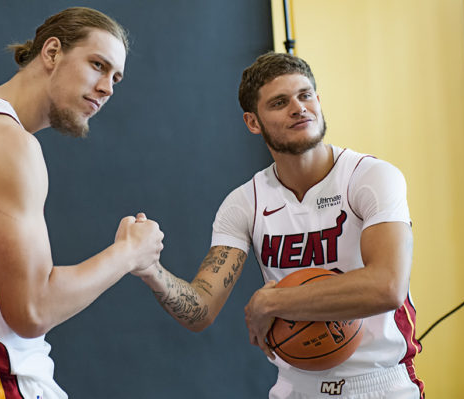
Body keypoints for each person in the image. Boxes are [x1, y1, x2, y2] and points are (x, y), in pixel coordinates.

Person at [134, 52, 424, 398]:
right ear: (253, 122)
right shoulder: (245, 203)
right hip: (296, 387)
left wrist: (271, 302)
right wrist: (151, 270)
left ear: (318, 101)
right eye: (279, 102)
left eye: (305, 95)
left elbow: (387, 287)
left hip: (380, 383)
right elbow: (201, 310)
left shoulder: (371, 177)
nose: (299, 108)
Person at [0, 7, 164, 399]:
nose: (108, 87)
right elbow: (33, 310)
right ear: (51, 53)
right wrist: (129, 252)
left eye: (116, 78)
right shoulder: (7, 142)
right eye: (98, 65)